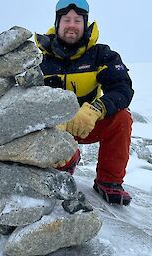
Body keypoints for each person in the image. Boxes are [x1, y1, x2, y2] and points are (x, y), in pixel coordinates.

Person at [35, 0, 134, 206]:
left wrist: (96, 109)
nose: (72, 25)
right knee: (55, 164)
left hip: (87, 124)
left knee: (121, 117)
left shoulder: (101, 54)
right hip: (53, 129)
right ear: (58, 23)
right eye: (67, 20)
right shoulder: (39, 58)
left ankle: (109, 181)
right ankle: (68, 160)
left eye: (77, 20)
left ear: (85, 23)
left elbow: (122, 87)